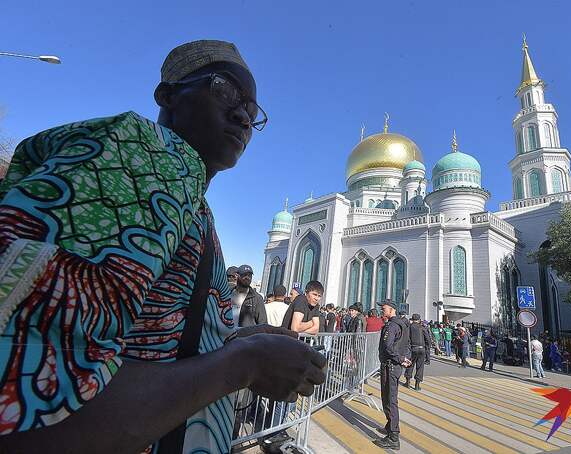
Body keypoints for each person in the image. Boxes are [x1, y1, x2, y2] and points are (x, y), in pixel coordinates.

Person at [0, 40, 327, 454]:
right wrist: (246, 362)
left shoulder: (192, 201)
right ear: (168, 95)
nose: (243, 115)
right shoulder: (140, 156)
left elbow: (152, 343)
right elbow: (29, 407)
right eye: (225, 90)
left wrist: (234, 341)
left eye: (252, 109)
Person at [374, 300, 411, 450]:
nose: (382, 311)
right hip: (395, 366)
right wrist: (404, 358)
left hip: (390, 366)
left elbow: (388, 347)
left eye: (384, 309)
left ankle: (393, 437)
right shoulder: (403, 324)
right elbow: (407, 344)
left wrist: (401, 359)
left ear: (391, 310)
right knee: (390, 398)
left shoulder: (392, 325)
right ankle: (390, 426)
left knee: (389, 400)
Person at [404, 314, 431, 390]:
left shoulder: (409, 327)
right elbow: (428, 339)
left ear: (412, 319)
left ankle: (408, 382)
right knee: (420, 367)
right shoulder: (422, 328)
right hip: (422, 349)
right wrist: (427, 348)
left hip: (412, 348)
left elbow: (406, 339)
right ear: (419, 320)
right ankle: (417, 385)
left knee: (410, 364)